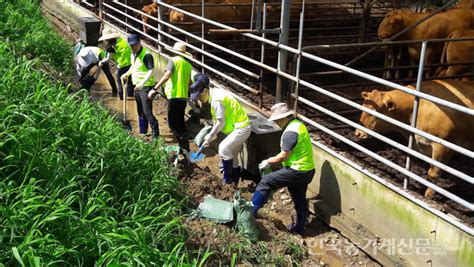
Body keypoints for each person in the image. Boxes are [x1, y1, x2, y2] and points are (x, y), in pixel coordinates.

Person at [251, 103, 315, 235]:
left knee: (266, 181)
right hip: (308, 170)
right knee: (299, 198)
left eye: (276, 120)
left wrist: (268, 161)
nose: (276, 123)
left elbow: (284, 156)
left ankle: (250, 212)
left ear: (284, 118)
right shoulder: (298, 124)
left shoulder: (290, 132)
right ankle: (299, 227)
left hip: (297, 170)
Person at [190, 74, 251, 186]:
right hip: (236, 127)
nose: (199, 99)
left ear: (205, 91)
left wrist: (210, 135)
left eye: (199, 96)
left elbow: (220, 122)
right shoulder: (215, 95)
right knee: (233, 156)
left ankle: (227, 181)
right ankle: (234, 182)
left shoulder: (217, 100)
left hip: (241, 128)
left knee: (223, 149)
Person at [150, 42, 192, 156]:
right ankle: (186, 149)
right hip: (183, 97)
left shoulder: (173, 61)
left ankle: (183, 149)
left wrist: (155, 88)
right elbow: (189, 83)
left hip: (174, 96)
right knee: (180, 123)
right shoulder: (188, 65)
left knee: (173, 125)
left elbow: (167, 75)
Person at [121, 34, 159, 138]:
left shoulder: (146, 55)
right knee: (140, 110)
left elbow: (151, 71)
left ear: (139, 43)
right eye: (131, 45)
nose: (133, 47)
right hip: (136, 86)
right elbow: (133, 67)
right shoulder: (133, 54)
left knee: (147, 111)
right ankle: (143, 131)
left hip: (146, 86)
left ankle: (156, 133)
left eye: (135, 45)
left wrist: (142, 83)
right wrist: (126, 74)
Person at [98, 29, 134, 100]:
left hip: (122, 66)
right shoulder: (122, 41)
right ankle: (131, 96)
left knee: (120, 82)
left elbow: (108, 59)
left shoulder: (110, 47)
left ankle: (122, 98)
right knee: (129, 82)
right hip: (130, 64)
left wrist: (101, 62)